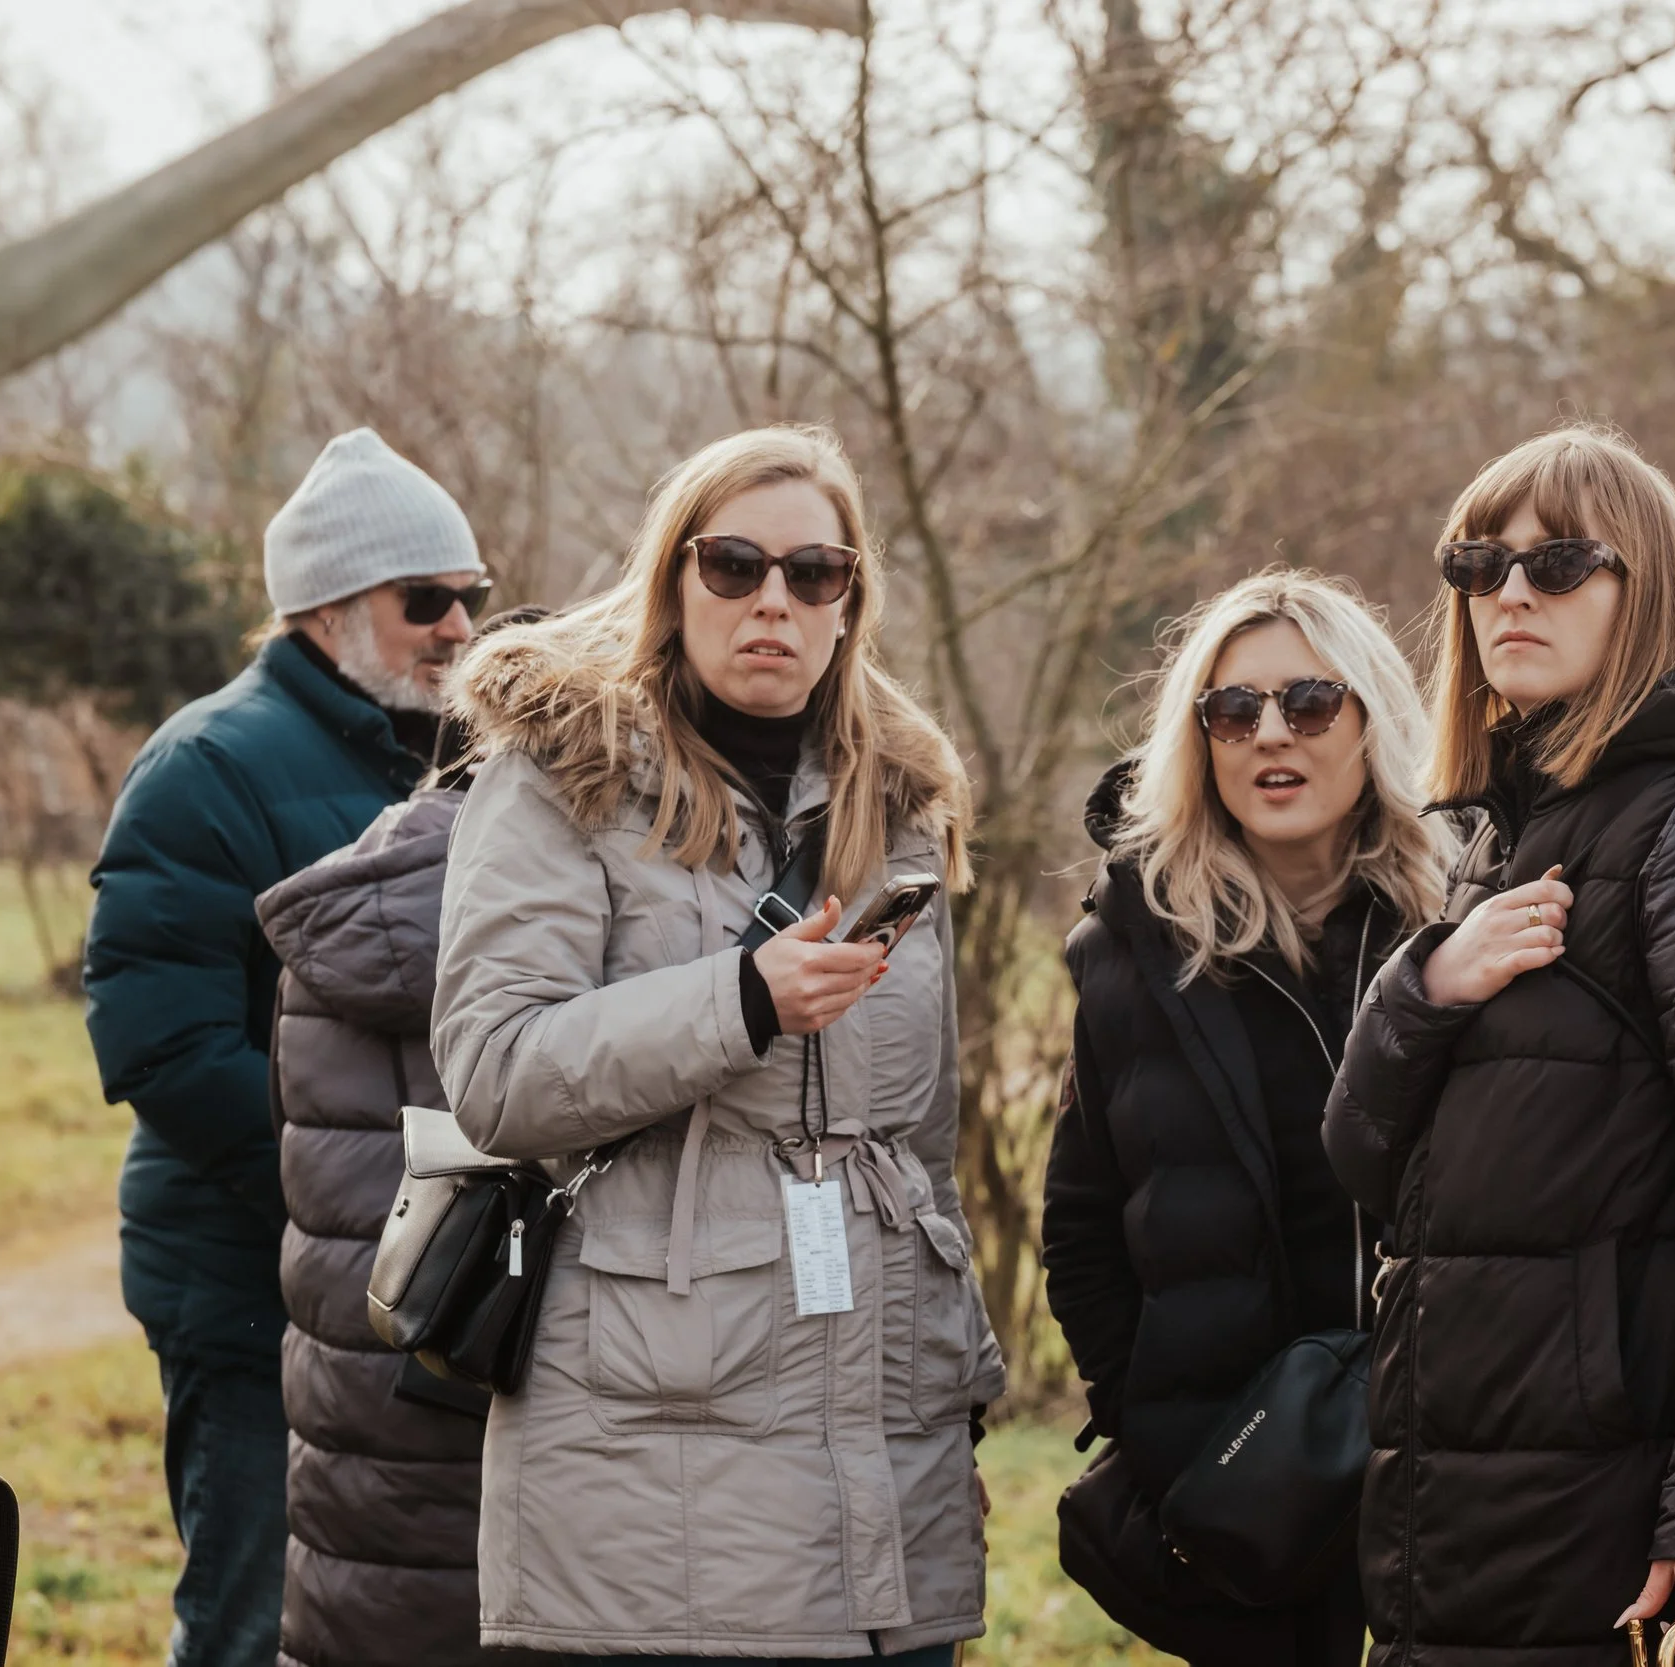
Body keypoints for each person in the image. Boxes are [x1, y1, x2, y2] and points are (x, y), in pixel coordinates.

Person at [430, 424, 1003, 1662]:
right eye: (733, 564)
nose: (773, 602)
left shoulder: (900, 807)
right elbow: (494, 1069)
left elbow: (919, 1153)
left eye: (815, 573)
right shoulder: (560, 777)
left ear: (852, 601)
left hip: (878, 1449)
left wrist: (944, 1420)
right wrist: (738, 1000)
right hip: (646, 1443)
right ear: (672, 580)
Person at [1324, 425, 1675, 1665]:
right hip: (1488, 1500)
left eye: (1560, 561)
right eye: (1479, 563)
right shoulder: (1501, 835)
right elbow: (1365, 1160)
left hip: (1628, 1517)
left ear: (1650, 593)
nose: (1510, 591)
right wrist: (1427, 984)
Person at [82, 429, 486, 1667]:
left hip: (405, 1292)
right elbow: (159, 1043)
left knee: (384, 1623)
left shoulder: (450, 757)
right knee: (252, 1620)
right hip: (250, 1286)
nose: (461, 627)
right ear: (325, 610)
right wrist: (347, 1209)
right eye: (426, 600)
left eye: (470, 595)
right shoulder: (207, 763)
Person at [1043, 569, 1452, 1666]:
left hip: (1457, 1464)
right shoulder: (1135, 955)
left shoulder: (1456, 926)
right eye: (1232, 709)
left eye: (1309, 703)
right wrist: (1166, 1431)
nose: (1270, 732)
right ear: (1202, 742)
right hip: (1251, 1485)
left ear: (1369, 721)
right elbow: (1080, 1226)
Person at [255, 606, 545, 1667]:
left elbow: (295, 1148)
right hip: (503, 1374)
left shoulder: (349, 899)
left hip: (356, 1374)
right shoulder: (562, 919)